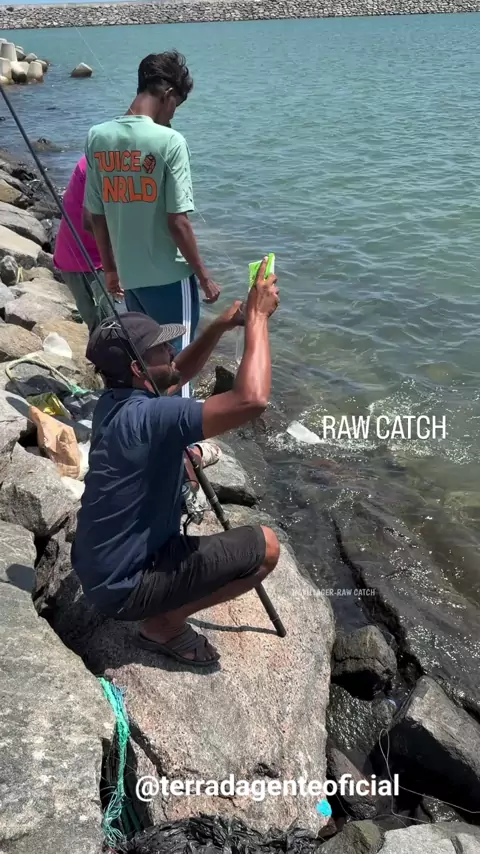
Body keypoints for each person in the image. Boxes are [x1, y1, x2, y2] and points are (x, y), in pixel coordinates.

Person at [71, 258, 280, 667]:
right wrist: (257, 318)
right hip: (125, 587)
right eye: (161, 348)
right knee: (266, 547)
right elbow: (250, 400)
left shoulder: (114, 402)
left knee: (185, 463)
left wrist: (218, 327)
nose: (171, 351)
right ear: (137, 368)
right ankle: (163, 626)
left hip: (99, 568)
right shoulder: (151, 417)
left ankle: (158, 600)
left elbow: (173, 375)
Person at [84, 50, 221, 397]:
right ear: (168, 94)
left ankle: (149, 419)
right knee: (177, 365)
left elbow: (96, 215)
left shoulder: (97, 137)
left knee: (149, 364)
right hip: (169, 278)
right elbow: (178, 222)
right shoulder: (170, 141)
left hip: (130, 278)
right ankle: (180, 429)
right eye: (176, 106)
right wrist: (204, 277)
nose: (174, 114)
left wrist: (110, 270)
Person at [53, 156, 111, 332]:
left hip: (67, 256)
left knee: (96, 320)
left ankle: (100, 342)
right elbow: (91, 222)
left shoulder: (88, 161)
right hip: (93, 261)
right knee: (109, 321)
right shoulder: (98, 169)